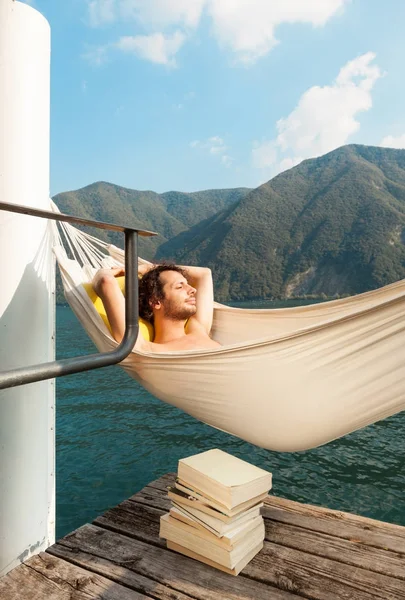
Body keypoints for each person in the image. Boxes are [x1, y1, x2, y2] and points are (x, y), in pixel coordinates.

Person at [92, 262, 221, 352]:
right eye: (180, 286)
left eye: (188, 284)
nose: (193, 289)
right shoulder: (145, 349)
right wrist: (113, 271)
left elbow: (204, 274)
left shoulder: (198, 328)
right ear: (155, 302)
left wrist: (146, 268)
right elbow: (106, 282)